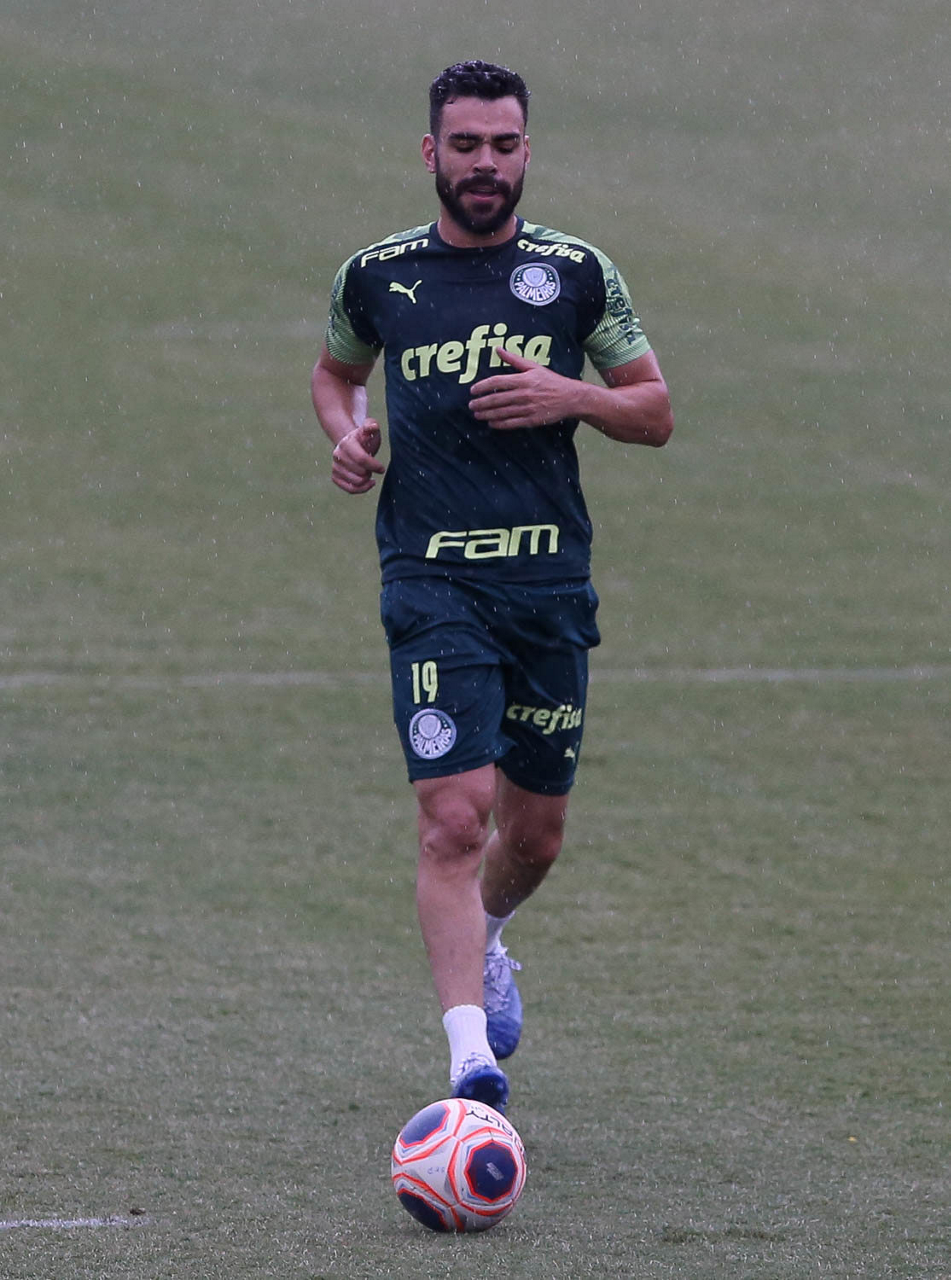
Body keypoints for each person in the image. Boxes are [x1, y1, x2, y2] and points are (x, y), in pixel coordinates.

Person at [311, 61, 672, 1113]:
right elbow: (337, 372)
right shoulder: (377, 276)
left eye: (503, 147)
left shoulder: (575, 273)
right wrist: (348, 434)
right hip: (431, 583)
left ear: (526, 153)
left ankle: (493, 936)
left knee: (535, 833)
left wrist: (571, 394)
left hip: (547, 583)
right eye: (465, 146)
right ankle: (471, 1061)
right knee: (454, 822)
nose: (484, 165)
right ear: (432, 152)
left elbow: (654, 409)